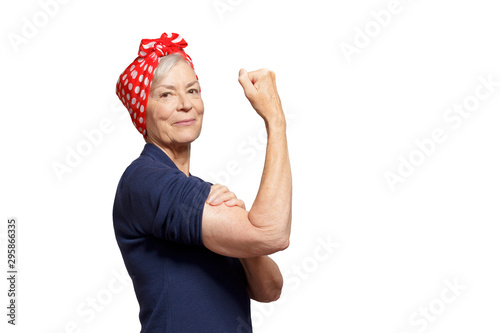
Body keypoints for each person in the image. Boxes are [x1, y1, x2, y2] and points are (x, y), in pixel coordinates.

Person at [113, 32, 292, 333]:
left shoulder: (204, 195)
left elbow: (270, 289)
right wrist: (275, 120)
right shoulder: (145, 180)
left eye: (193, 90)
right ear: (142, 110)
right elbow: (272, 233)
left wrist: (243, 232)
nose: (185, 104)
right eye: (166, 94)